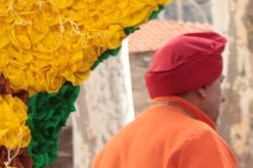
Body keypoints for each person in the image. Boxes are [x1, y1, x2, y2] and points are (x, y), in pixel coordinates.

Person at [91, 31, 238, 168]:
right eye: (220, 83)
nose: (223, 97)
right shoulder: (198, 140)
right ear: (203, 87)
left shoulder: (113, 148)